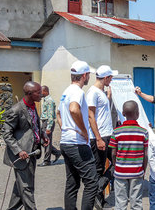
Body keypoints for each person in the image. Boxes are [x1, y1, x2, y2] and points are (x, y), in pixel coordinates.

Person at [57, 60, 98, 210]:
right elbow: (74, 110)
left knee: (72, 182)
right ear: (84, 75)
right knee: (92, 182)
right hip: (77, 143)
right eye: (88, 76)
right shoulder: (77, 92)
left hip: (66, 142)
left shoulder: (66, 91)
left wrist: (65, 129)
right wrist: (84, 131)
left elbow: (59, 114)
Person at [2, 81, 49, 210]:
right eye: (38, 92)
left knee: (20, 188)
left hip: (32, 153)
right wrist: (18, 151)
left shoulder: (33, 106)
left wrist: (42, 135)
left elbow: (33, 126)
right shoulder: (16, 110)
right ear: (29, 93)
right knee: (27, 188)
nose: (41, 95)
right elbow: (6, 133)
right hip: (22, 156)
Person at [86, 65, 118, 209]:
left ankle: (99, 190)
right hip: (99, 137)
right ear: (106, 78)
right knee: (99, 168)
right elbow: (90, 115)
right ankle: (98, 198)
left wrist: (108, 97)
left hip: (108, 134)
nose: (111, 81)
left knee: (117, 162)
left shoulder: (101, 92)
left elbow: (103, 111)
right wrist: (98, 138)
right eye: (110, 78)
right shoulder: (92, 92)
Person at [109, 100, 148, 210]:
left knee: (120, 202)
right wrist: (143, 169)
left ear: (123, 113)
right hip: (137, 172)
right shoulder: (143, 132)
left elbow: (113, 153)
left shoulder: (116, 132)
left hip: (120, 172)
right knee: (136, 202)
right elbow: (145, 155)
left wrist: (116, 165)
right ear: (138, 113)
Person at [38, 85, 61, 167]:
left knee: (46, 141)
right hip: (45, 122)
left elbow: (50, 115)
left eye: (41, 92)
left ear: (45, 91)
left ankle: (47, 160)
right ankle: (56, 152)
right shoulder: (46, 100)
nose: (40, 93)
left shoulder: (49, 101)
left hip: (48, 122)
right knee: (42, 141)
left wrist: (48, 127)